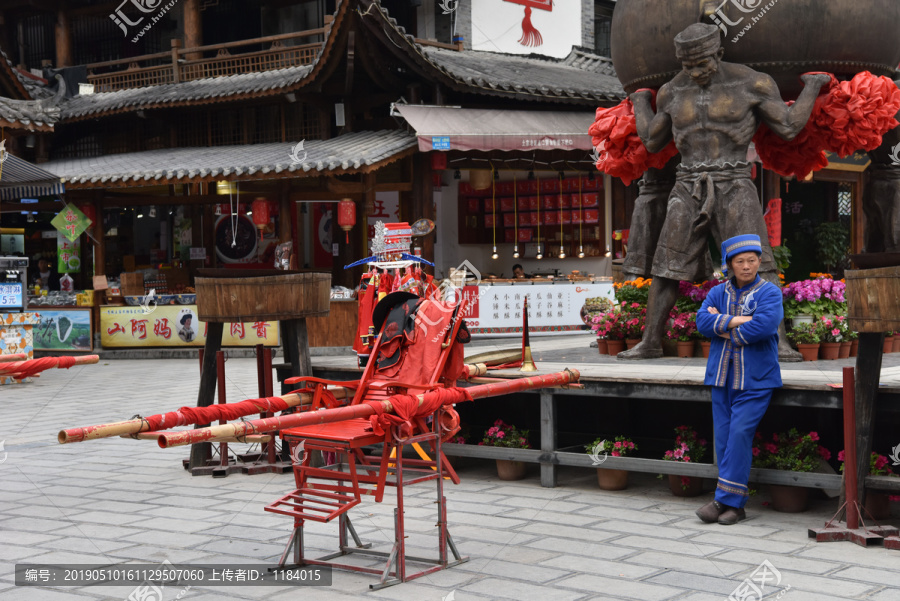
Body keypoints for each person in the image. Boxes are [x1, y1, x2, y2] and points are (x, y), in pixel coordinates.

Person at [618, 23, 831, 361]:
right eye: (688, 66)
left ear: (718, 53)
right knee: (666, 266)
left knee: (758, 263)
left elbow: (789, 126)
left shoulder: (752, 82)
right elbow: (652, 139)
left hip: (733, 180)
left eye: (702, 63)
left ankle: (780, 342)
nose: (696, 72)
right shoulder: (672, 91)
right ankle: (651, 341)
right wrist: (641, 103)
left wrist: (813, 87)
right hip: (687, 183)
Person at [695, 234, 783, 525]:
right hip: (721, 377)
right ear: (729, 264)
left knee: (739, 435)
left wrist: (721, 323)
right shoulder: (718, 292)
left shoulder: (769, 292)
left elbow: (766, 325)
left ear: (760, 261)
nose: (747, 266)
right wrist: (741, 319)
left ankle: (726, 501)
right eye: (740, 261)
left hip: (756, 379)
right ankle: (731, 506)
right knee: (723, 440)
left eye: (752, 260)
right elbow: (701, 322)